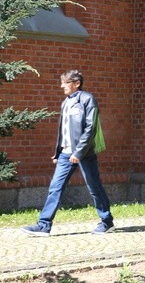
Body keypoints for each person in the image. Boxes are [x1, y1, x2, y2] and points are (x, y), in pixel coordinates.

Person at [21, 70, 115, 237]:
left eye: (65, 82)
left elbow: (90, 128)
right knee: (55, 187)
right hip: (65, 154)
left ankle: (107, 222)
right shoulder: (66, 102)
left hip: (84, 153)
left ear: (76, 83)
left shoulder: (87, 99)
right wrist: (58, 152)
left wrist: (78, 152)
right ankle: (44, 225)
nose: (62, 85)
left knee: (94, 187)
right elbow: (63, 130)